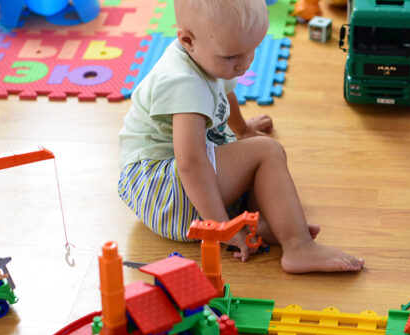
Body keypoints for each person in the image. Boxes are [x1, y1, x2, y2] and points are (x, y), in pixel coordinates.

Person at [117, 0, 363, 273]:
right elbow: (191, 163)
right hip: (162, 193)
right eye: (233, 56)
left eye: (253, 49)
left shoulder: (211, 54)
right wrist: (221, 228)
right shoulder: (182, 81)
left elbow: (225, 90)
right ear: (188, 40)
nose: (245, 63)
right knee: (267, 152)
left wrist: (242, 129)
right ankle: (298, 247)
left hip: (177, 184)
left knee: (255, 153)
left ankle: (267, 224)